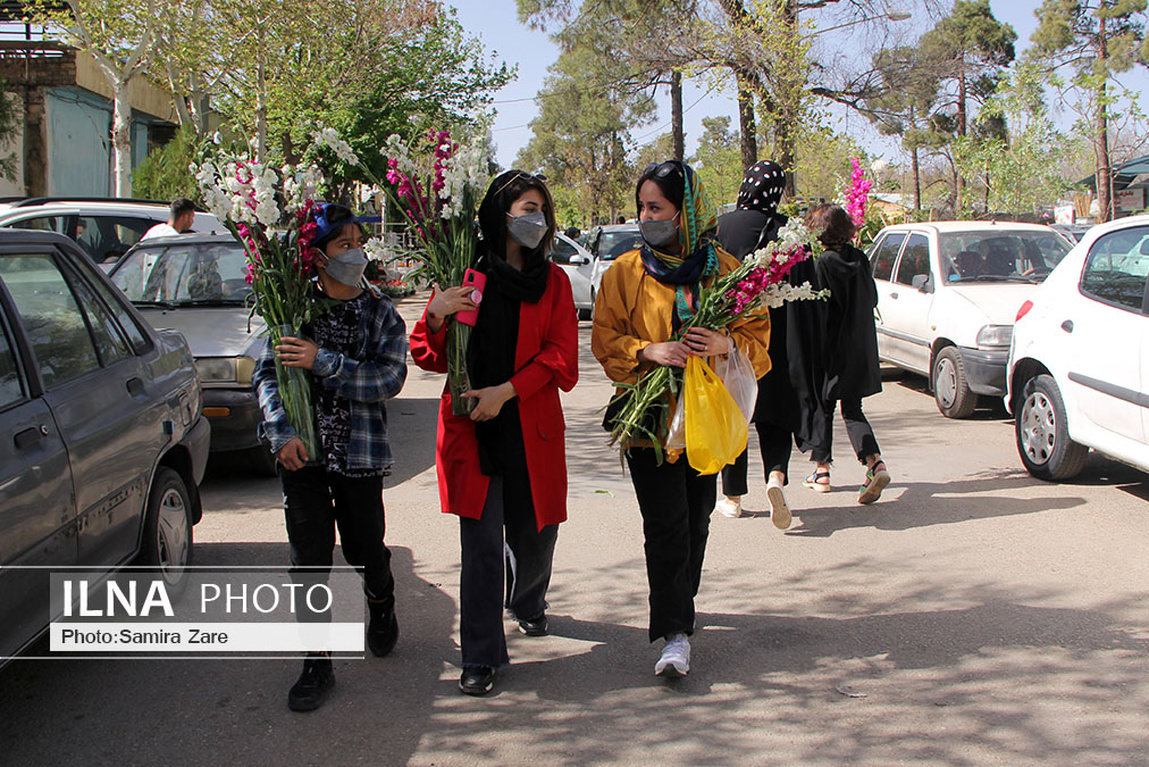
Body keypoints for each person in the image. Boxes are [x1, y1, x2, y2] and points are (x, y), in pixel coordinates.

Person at [592, 160, 770, 679]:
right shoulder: (625, 272)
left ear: (685, 211)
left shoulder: (727, 270)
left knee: (696, 518)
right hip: (648, 422)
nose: (646, 217)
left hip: (704, 421)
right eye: (643, 207)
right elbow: (606, 341)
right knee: (665, 524)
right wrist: (648, 350)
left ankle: (681, 605)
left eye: (657, 208)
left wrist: (725, 344)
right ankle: (674, 634)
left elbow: (758, 342)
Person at [409, 170, 578, 697]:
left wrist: (508, 389)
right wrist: (434, 316)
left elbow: (561, 357)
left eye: (541, 211)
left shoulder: (554, 282)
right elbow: (430, 357)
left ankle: (528, 599)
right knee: (481, 547)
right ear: (499, 213)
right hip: (473, 429)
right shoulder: (467, 275)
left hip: (529, 426)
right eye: (526, 208)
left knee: (536, 534)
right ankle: (480, 655)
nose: (536, 220)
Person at [252, 203, 408, 712]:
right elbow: (267, 376)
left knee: (365, 549)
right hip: (303, 457)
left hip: (359, 454)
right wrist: (280, 433)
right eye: (344, 245)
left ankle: (380, 601)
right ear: (317, 257)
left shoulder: (381, 311)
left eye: (358, 242)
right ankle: (316, 661)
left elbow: (389, 379)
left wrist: (323, 362)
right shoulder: (291, 312)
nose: (356, 252)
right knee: (309, 560)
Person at [713, 161, 827, 528]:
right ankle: (775, 476)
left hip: (733, 339)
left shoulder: (722, 227)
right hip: (779, 341)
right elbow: (807, 295)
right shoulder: (788, 235)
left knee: (736, 413)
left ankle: (732, 497)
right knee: (774, 413)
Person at [803, 203, 890, 504]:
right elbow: (872, 297)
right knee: (852, 409)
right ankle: (874, 462)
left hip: (832, 348)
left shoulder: (823, 263)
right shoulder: (860, 258)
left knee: (824, 406)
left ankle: (822, 470)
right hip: (861, 346)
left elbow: (820, 311)